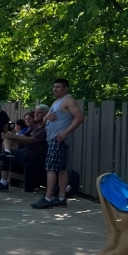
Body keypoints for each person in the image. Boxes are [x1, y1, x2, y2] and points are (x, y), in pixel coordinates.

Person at [32, 79, 84, 209]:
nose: (55, 89)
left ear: (65, 88)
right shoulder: (56, 102)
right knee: (62, 169)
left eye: (58, 87)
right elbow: (44, 119)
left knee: (51, 168)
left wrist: (65, 132)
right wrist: (46, 117)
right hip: (53, 138)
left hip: (58, 139)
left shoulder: (68, 100)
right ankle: (61, 198)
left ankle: (47, 198)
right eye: (54, 87)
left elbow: (79, 117)